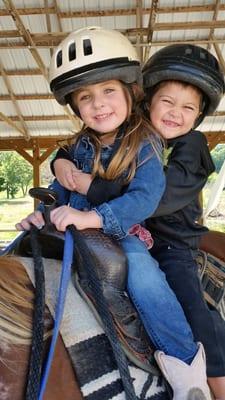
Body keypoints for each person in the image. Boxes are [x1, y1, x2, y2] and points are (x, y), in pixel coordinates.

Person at [16, 27, 211, 400]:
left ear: (130, 93)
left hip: (121, 233)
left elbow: (145, 197)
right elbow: (60, 191)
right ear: (75, 106)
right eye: (85, 97)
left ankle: (185, 365)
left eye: (108, 91)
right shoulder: (77, 147)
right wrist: (42, 214)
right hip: (73, 231)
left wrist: (94, 218)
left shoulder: (146, 143)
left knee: (142, 274)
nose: (99, 104)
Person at [142, 44, 225, 400]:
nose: (176, 113)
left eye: (188, 107)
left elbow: (163, 197)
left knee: (191, 307)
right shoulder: (137, 139)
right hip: (125, 234)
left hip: (172, 242)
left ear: (198, 116)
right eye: (168, 102)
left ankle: (217, 385)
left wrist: (100, 193)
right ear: (148, 102)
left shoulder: (192, 146)